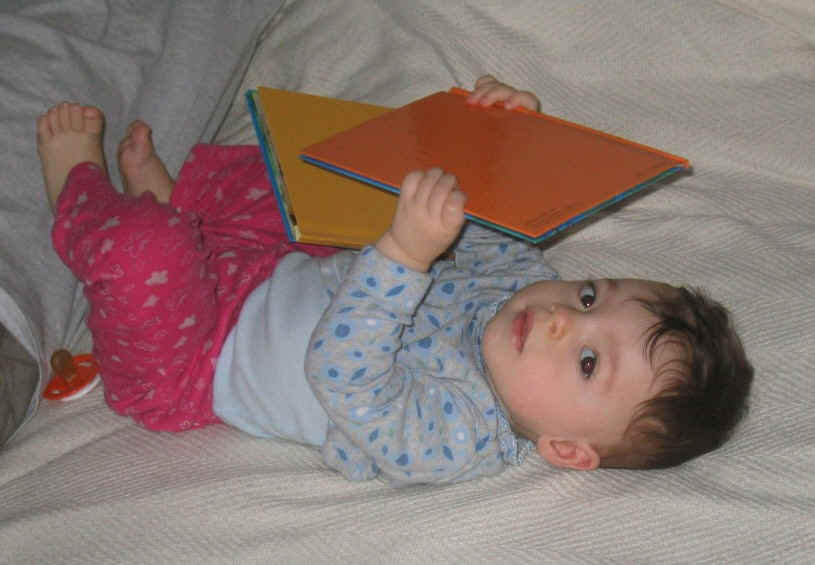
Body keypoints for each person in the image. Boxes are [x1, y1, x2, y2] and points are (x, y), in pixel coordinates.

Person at [36, 76, 753, 485]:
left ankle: (79, 190)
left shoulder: (459, 435)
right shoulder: (525, 288)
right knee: (313, 180)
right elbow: (480, 211)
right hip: (265, 264)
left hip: (193, 364)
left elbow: (340, 373)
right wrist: (507, 139)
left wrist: (405, 256)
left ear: (565, 448)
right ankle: (184, 208)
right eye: (591, 296)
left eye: (588, 361)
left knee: (142, 251)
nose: (565, 317)